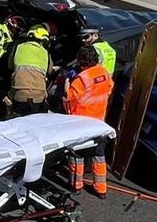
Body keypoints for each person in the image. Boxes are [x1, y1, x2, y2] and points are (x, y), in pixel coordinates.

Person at [64, 44, 114, 199]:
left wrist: (67, 80)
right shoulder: (104, 73)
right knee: (98, 156)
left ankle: (76, 185)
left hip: (80, 124)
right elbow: (109, 88)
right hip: (99, 123)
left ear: (80, 61)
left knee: (76, 154)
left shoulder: (81, 79)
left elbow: (69, 97)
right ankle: (101, 188)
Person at [10, 25, 52, 116]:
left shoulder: (18, 47)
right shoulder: (45, 53)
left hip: (19, 93)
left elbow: (10, 65)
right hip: (39, 95)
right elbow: (49, 71)